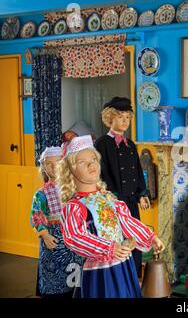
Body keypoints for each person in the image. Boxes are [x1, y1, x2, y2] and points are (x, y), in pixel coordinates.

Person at [57, 135, 165, 298]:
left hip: (123, 264)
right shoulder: (74, 207)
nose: (91, 164)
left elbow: (126, 221)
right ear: (70, 171)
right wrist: (110, 247)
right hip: (100, 271)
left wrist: (150, 237)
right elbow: (75, 236)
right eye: (81, 162)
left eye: (94, 159)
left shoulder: (108, 198)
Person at [94, 97, 151, 278]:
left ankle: (133, 276)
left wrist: (142, 193)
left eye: (128, 117)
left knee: (133, 237)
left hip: (131, 202)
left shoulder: (130, 144)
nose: (125, 121)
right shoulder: (102, 143)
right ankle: (118, 277)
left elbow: (138, 171)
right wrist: (112, 196)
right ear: (110, 118)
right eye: (120, 117)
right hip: (113, 202)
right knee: (118, 238)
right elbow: (102, 173)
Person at [30, 146, 83, 298]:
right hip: (53, 239)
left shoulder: (73, 188)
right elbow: (37, 215)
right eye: (48, 164)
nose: (53, 167)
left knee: (74, 271)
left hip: (73, 237)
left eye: (58, 162)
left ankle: (75, 293)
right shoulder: (41, 194)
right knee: (53, 273)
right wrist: (45, 234)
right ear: (43, 167)